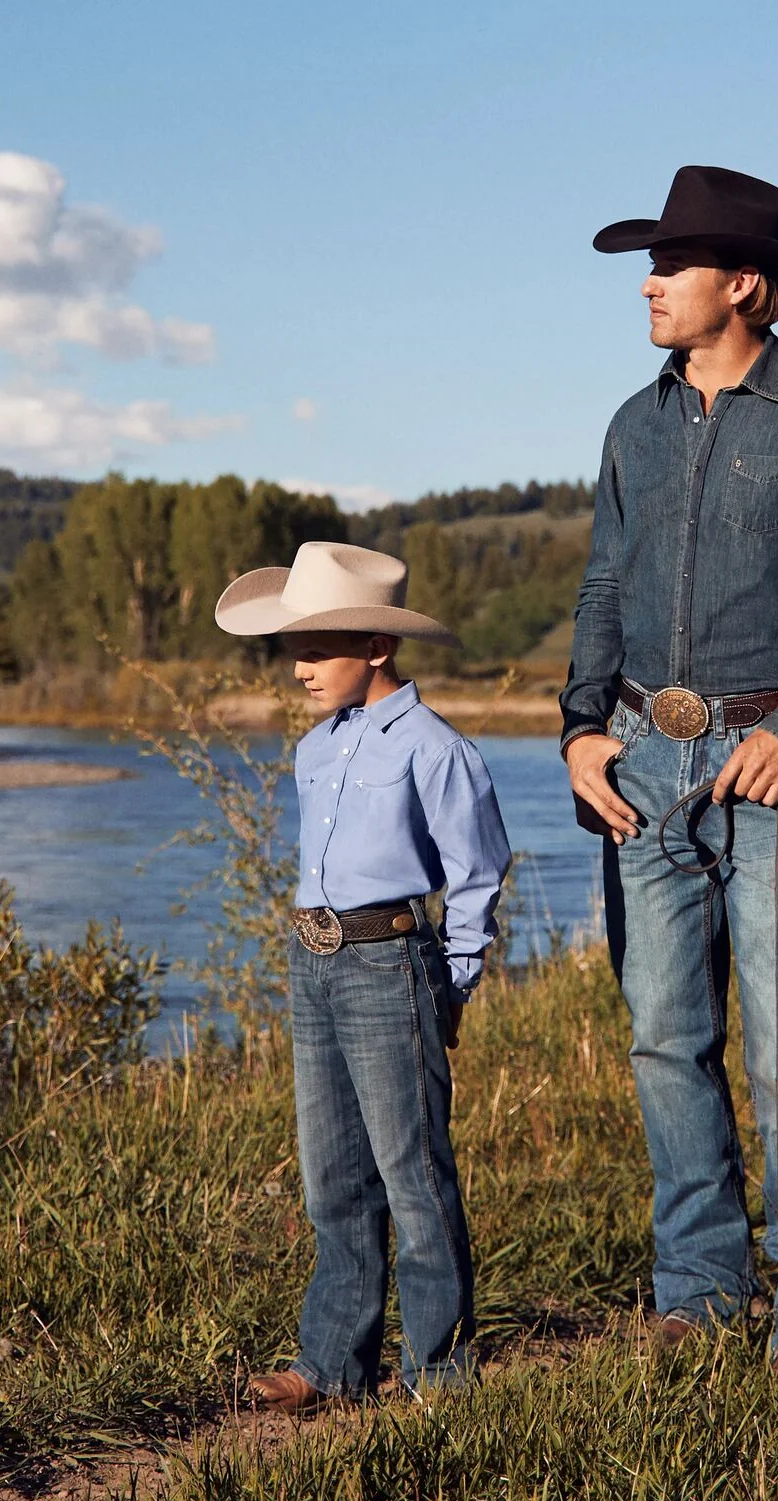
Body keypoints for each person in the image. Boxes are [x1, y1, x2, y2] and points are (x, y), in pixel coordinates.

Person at [561, 165, 778, 1357]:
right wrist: (579, 727)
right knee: (666, 1042)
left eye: (673, 265)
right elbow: (601, 587)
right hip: (638, 769)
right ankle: (700, 1293)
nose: (649, 284)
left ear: (745, 286)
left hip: (766, 769)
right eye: (650, 265)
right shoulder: (631, 424)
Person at [216, 541, 511, 1410]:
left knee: (412, 1176)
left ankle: (439, 1377)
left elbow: (476, 873)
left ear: (377, 648)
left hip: (390, 966)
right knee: (333, 1178)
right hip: (311, 963)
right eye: (293, 650)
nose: (299, 668)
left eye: (317, 649)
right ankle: (331, 1365)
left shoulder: (437, 749)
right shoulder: (315, 749)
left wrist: (451, 984)